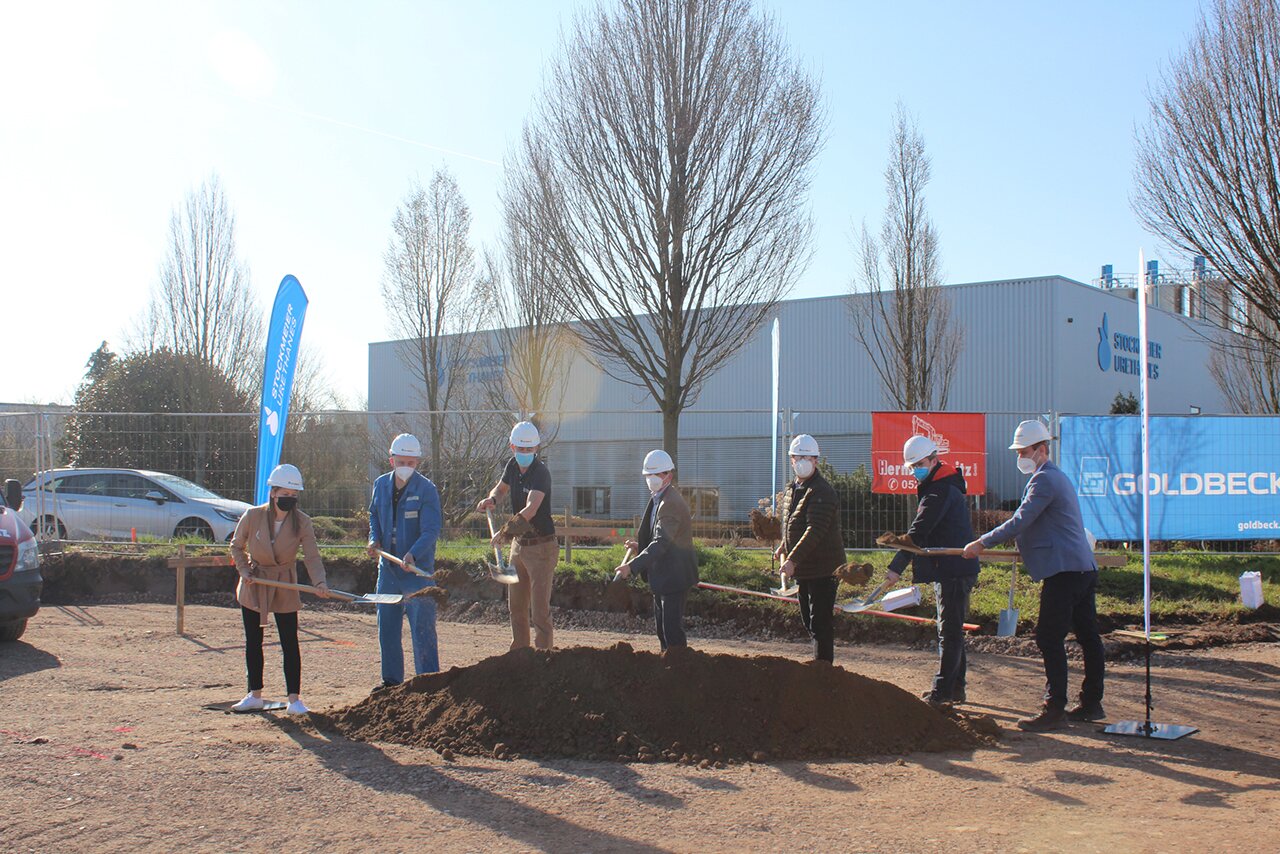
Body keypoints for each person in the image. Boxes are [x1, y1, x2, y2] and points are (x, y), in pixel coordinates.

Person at [963, 419, 1105, 731]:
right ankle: (1092, 702)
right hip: (1080, 567)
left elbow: (1020, 520)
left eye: (1024, 451)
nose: (1020, 457)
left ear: (1041, 449)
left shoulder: (1044, 481)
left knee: (1048, 637)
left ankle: (1054, 707)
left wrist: (981, 542)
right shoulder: (1055, 477)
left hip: (1064, 570)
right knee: (1088, 637)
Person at [886, 434, 980, 706]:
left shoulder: (939, 490)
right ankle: (956, 688)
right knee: (952, 629)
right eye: (912, 466)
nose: (916, 470)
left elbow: (918, 533)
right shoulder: (940, 484)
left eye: (920, 464)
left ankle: (942, 691)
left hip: (954, 569)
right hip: (951, 567)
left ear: (934, 459)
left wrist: (896, 568)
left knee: (949, 631)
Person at [229, 464, 330, 715]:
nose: (290, 499)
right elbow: (236, 546)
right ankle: (254, 694)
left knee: (289, 641)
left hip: (285, 582)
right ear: (273, 492)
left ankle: (294, 700)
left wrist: (319, 582)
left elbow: (312, 557)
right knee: (253, 639)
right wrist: (244, 571)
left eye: (294, 495)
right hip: (256, 581)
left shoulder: (302, 522)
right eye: (285, 494)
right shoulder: (252, 515)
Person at [366, 432, 443, 690]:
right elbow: (373, 515)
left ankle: (428, 682)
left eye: (411, 463)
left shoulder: (427, 490)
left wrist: (413, 554)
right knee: (386, 626)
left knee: (422, 628)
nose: (406, 467)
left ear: (417, 463)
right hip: (387, 569)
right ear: (391, 460)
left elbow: (431, 531)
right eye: (402, 462)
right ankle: (391, 681)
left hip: (416, 571)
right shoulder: (380, 485)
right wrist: (374, 539)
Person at [477, 421, 560, 651]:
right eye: (520, 449)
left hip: (542, 547)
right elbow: (501, 488)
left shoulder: (541, 473)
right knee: (516, 606)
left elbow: (531, 509)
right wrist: (492, 499)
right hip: (519, 546)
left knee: (540, 611)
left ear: (536, 449)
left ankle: (543, 657)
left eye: (529, 449)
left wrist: (505, 532)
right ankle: (520, 655)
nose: (524, 454)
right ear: (512, 447)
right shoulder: (512, 466)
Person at [616, 450, 698, 654]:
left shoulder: (670, 503)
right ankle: (668, 666)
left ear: (669, 475)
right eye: (648, 475)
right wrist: (639, 547)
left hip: (674, 577)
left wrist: (632, 567)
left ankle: (678, 669)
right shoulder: (658, 498)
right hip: (662, 576)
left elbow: (662, 542)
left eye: (657, 475)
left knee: (671, 632)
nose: (651, 479)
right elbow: (658, 537)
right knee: (662, 630)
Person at [774, 434, 844, 663]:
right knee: (808, 619)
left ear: (816, 460)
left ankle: (823, 668)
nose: (803, 461)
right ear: (792, 460)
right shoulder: (793, 488)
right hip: (805, 568)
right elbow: (794, 522)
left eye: (808, 457)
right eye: (798, 457)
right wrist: (785, 545)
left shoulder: (822, 491)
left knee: (820, 621)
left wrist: (792, 560)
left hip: (824, 568)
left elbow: (815, 530)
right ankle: (819, 666)